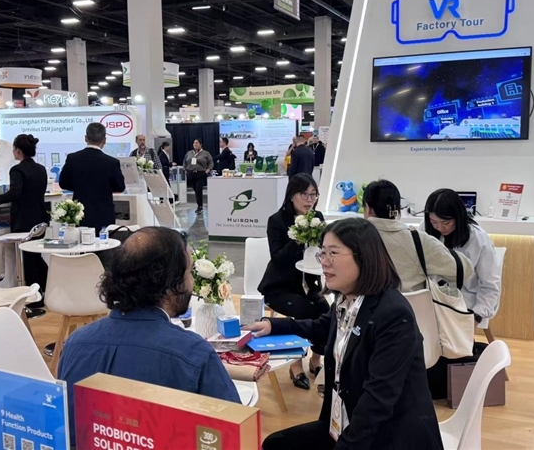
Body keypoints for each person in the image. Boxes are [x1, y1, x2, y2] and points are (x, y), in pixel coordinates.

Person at [247, 218, 444, 450]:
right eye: (323, 253)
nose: (324, 262)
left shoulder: (392, 314)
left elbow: (377, 401)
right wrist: (275, 326)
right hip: (344, 421)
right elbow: (321, 328)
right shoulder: (347, 299)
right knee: (274, 444)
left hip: (389, 435)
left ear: (364, 256)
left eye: (333, 253)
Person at [58, 227, 241, 446]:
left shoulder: (75, 344)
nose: (191, 282)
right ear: (171, 286)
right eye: (189, 272)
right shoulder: (193, 353)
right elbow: (236, 437)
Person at [258, 173, 329, 390]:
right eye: (304, 194)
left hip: (309, 285)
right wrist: (298, 237)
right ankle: (295, 364)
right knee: (303, 310)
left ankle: (316, 360)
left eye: (313, 195)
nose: (309, 200)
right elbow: (278, 258)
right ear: (291, 195)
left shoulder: (317, 217)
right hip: (280, 287)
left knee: (326, 312)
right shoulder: (277, 221)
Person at [0, 135, 49, 314]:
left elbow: (15, 193)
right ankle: (47, 289)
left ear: (18, 150)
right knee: (36, 257)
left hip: (24, 220)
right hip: (40, 218)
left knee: (28, 260)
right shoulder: (40, 169)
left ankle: (33, 299)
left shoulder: (17, 170)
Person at [362, 180, 474, 292]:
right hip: (410, 303)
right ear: (398, 209)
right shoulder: (418, 241)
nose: (440, 227)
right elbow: (464, 270)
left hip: (365, 303)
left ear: (367, 208)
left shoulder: (354, 239)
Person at [423, 188, 501, 326]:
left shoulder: (478, 239)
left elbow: (490, 286)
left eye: (446, 223)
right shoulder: (425, 229)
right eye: (434, 222)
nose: (439, 227)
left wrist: (476, 316)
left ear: (458, 217)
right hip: (434, 297)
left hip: (466, 301)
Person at [58, 123, 125, 234]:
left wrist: (79, 186)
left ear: (86, 138)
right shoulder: (111, 162)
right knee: (105, 244)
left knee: (81, 243)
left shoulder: (73, 158)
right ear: (104, 140)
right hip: (104, 215)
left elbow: (63, 183)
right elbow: (120, 187)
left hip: (80, 214)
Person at [183, 138, 213, 215]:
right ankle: (199, 204)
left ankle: (200, 206)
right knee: (196, 190)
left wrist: (208, 170)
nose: (195, 144)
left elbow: (211, 162)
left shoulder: (205, 153)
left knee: (199, 190)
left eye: (197, 143)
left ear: (200, 144)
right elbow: (185, 161)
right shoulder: (189, 153)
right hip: (190, 174)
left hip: (200, 173)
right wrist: (185, 170)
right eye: (194, 143)